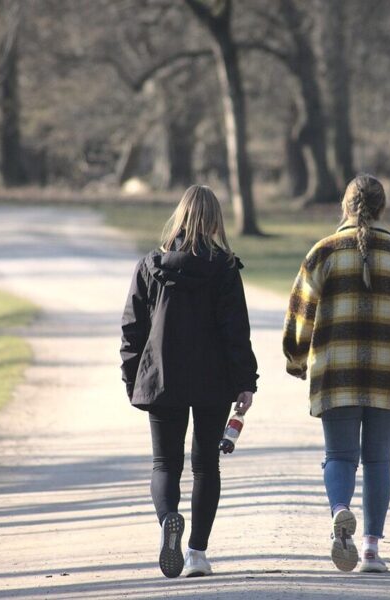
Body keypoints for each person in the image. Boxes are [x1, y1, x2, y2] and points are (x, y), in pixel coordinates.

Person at [283, 174, 390, 574]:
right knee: (378, 461)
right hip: (388, 374)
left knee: (338, 455)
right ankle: (371, 550)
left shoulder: (323, 252)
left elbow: (300, 314)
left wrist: (297, 359)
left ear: (345, 206)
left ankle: (340, 512)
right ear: (382, 207)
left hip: (335, 373)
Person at [120, 185, 258, 579]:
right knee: (205, 466)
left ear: (179, 217)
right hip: (214, 381)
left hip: (162, 379)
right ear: (216, 220)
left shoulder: (152, 265)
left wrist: (133, 379)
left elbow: (132, 329)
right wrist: (245, 382)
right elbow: (236, 332)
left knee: (165, 463)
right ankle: (196, 553)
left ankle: (168, 521)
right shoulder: (225, 268)